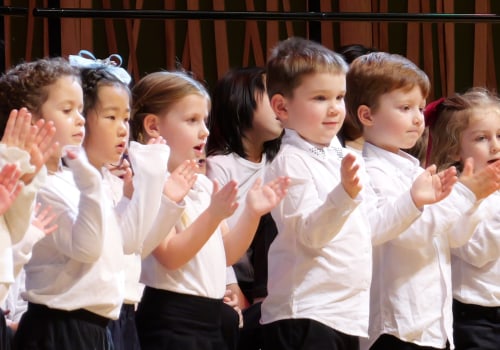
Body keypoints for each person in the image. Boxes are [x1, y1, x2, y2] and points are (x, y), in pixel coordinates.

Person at [260, 36, 457, 350]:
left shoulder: (339, 156)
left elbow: (372, 229)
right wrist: (345, 194)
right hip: (305, 313)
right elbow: (310, 234)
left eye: (339, 97)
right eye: (320, 98)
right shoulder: (290, 161)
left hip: (345, 315)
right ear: (282, 107)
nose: (335, 109)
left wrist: (415, 200)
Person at [344, 52, 500, 349]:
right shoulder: (366, 170)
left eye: (418, 107)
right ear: (367, 115)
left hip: (432, 325)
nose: (418, 118)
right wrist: (468, 194)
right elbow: (410, 234)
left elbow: (452, 237)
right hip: (397, 326)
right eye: (405, 108)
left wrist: (474, 200)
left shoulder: (413, 170)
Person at [130, 70, 289, 350]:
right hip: (171, 316)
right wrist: (213, 214)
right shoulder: (147, 183)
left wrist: (251, 213)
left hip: (209, 316)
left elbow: (226, 253)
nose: (204, 130)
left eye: (204, 120)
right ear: (154, 125)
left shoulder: (202, 185)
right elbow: (169, 255)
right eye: (191, 120)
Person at [71, 53, 196, 350]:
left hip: (121, 309)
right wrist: (152, 186)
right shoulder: (73, 180)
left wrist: (152, 193)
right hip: (83, 315)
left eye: (126, 118)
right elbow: (120, 243)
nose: (123, 128)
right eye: (111, 117)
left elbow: (135, 246)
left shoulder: (110, 180)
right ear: (80, 118)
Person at [206, 66, 283, 350]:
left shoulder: (280, 160)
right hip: (234, 281)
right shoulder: (221, 166)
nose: (281, 103)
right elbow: (213, 228)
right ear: (241, 102)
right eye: (271, 95)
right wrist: (231, 285)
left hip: (273, 283)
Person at [426, 88, 500, 350]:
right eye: (482, 138)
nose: (495, 146)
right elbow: (476, 252)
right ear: (457, 150)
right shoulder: (454, 193)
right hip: (475, 315)